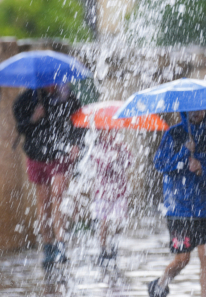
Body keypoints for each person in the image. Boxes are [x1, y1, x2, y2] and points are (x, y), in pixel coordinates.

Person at [147, 109, 206, 297]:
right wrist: (184, 153)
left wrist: (203, 169)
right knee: (183, 258)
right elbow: (161, 164)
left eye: (202, 109)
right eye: (193, 109)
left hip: (203, 208)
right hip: (179, 208)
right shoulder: (173, 134)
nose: (198, 113)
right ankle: (158, 287)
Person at [13, 83, 83, 268]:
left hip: (60, 154)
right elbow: (21, 128)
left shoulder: (68, 97)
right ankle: (48, 246)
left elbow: (79, 122)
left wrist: (76, 143)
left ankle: (61, 243)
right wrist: (33, 118)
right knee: (43, 204)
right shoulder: (26, 99)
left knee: (58, 197)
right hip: (37, 155)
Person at [88, 130, 133, 264]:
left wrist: (121, 155)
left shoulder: (121, 146)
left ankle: (114, 246)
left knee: (119, 220)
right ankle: (103, 250)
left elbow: (129, 162)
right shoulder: (97, 149)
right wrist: (113, 158)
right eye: (106, 133)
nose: (110, 135)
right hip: (103, 192)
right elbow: (101, 167)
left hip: (120, 191)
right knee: (104, 221)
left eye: (112, 132)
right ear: (101, 134)